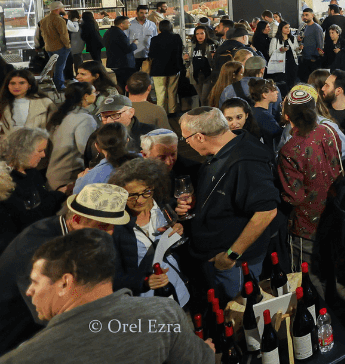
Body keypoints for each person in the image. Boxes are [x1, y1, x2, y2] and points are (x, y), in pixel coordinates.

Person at [3, 228, 213, 364]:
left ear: (65, 282)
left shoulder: (24, 358)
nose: (29, 291)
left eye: (35, 282)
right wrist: (206, 351)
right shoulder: (163, 314)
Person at [0, 183, 130, 356]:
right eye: (103, 226)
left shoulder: (74, 236)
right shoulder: (38, 248)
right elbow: (48, 315)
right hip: (14, 339)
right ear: (76, 220)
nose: (110, 233)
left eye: (113, 226)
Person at [177, 107, 278, 299]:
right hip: (214, 255)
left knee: (238, 313)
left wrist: (231, 255)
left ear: (200, 137)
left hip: (236, 265)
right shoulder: (223, 149)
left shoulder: (247, 161)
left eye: (186, 138)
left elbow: (266, 211)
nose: (187, 143)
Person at [277, 89, 343, 285]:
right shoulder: (328, 132)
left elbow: (294, 197)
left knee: (307, 281)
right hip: (333, 215)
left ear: (287, 116)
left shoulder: (289, 150)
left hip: (306, 226)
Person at [107, 158, 189, 307]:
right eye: (132, 195)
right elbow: (111, 278)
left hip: (177, 286)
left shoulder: (163, 207)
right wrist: (144, 281)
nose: (140, 200)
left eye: (146, 192)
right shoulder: (115, 228)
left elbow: (175, 244)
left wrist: (178, 231)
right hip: (146, 300)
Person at [0, 128, 64, 252]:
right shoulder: (6, 185)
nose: (44, 155)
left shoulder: (32, 172)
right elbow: (33, 215)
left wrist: (60, 193)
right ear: (23, 152)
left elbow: (43, 201)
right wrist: (60, 194)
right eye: (40, 151)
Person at [44, 82, 98, 192]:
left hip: (53, 174)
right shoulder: (85, 119)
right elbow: (85, 149)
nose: (96, 94)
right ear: (86, 97)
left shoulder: (63, 115)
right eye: (94, 92)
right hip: (67, 178)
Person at [145, 20, 184, 115]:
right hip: (174, 68)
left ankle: (161, 113)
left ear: (160, 28)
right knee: (172, 92)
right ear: (171, 27)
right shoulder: (176, 37)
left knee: (160, 93)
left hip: (158, 70)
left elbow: (151, 54)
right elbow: (180, 52)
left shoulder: (155, 39)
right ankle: (172, 112)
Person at [0, 70, 56, 135]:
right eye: (12, 83)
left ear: (29, 85)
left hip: (39, 143)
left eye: (21, 83)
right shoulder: (2, 104)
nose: (16, 87)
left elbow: (55, 128)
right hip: (10, 143)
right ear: (7, 85)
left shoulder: (45, 103)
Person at [38, 1, 71, 90]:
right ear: (58, 9)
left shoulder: (43, 20)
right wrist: (68, 46)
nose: (64, 9)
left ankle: (58, 83)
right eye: (62, 8)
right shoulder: (59, 20)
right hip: (60, 47)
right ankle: (59, 85)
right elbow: (63, 35)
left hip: (49, 47)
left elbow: (42, 34)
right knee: (60, 67)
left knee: (55, 67)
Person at [297, 8, 324, 82]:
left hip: (313, 60)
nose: (304, 17)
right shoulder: (305, 26)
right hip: (305, 58)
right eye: (303, 15)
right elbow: (305, 40)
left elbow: (320, 44)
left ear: (312, 15)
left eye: (307, 15)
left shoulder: (317, 28)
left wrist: (315, 57)